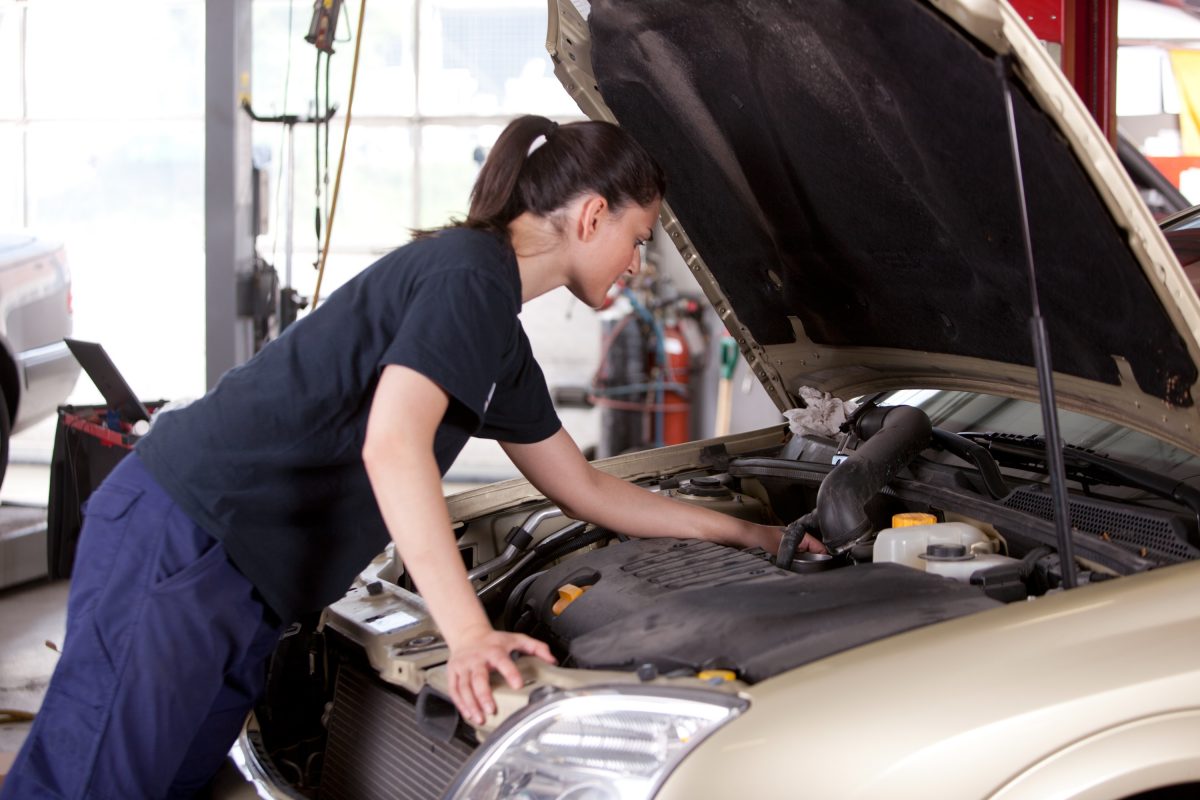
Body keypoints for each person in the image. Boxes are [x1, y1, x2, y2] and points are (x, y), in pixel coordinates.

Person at [2, 114, 825, 799]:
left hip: (244, 580)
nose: (637, 267)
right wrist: (468, 633)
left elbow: (583, 488)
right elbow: (394, 443)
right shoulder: (470, 279)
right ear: (589, 217)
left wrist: (751, 536)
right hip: (185, 544)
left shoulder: (495, 332)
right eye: (638, 240)